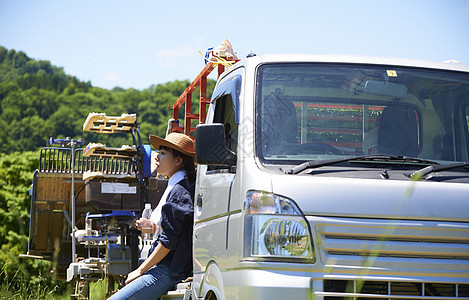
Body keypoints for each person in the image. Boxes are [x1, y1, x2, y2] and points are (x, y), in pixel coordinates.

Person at [109, 132, 195, 300]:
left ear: (178, 161)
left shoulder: (178, 191)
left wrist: (141, 270)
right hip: (165, 268)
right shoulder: (180, 186)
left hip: (165, 270)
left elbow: (169, 241)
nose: (157, 157)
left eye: (163, 153)